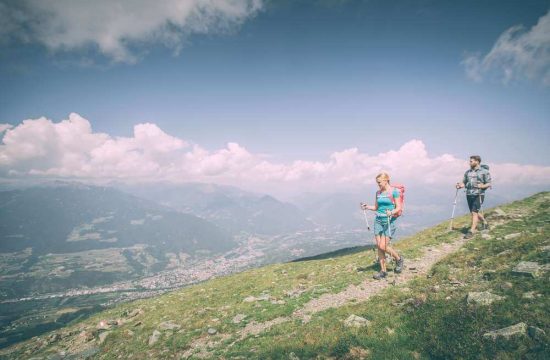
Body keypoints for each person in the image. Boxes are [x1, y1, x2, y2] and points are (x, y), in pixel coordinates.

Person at [361, 172, 404, 280]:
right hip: (378, 220)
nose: (378, 184)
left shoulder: (394, 192)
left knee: (383, 246)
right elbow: (376, 207)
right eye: (377, 183)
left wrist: (392, 212)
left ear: (386, 180)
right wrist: (367, 207)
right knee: (379, 247)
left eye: (379, 182)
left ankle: (398, 259)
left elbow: (399, 207)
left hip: (389, 220)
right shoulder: (378, 193)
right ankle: (383, 271)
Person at [456, 155, 492, 239]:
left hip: (479, 194)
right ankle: (484, 222)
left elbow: (488, 183)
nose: (469, 163)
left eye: (471, 161)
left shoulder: (484, 172)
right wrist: (459, 185)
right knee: (474, 211)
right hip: (469, 194)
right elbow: (464, 182)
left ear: (477, 161)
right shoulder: (468, 172)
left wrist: (481, 186)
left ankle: (471, 231)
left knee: (474, 212)